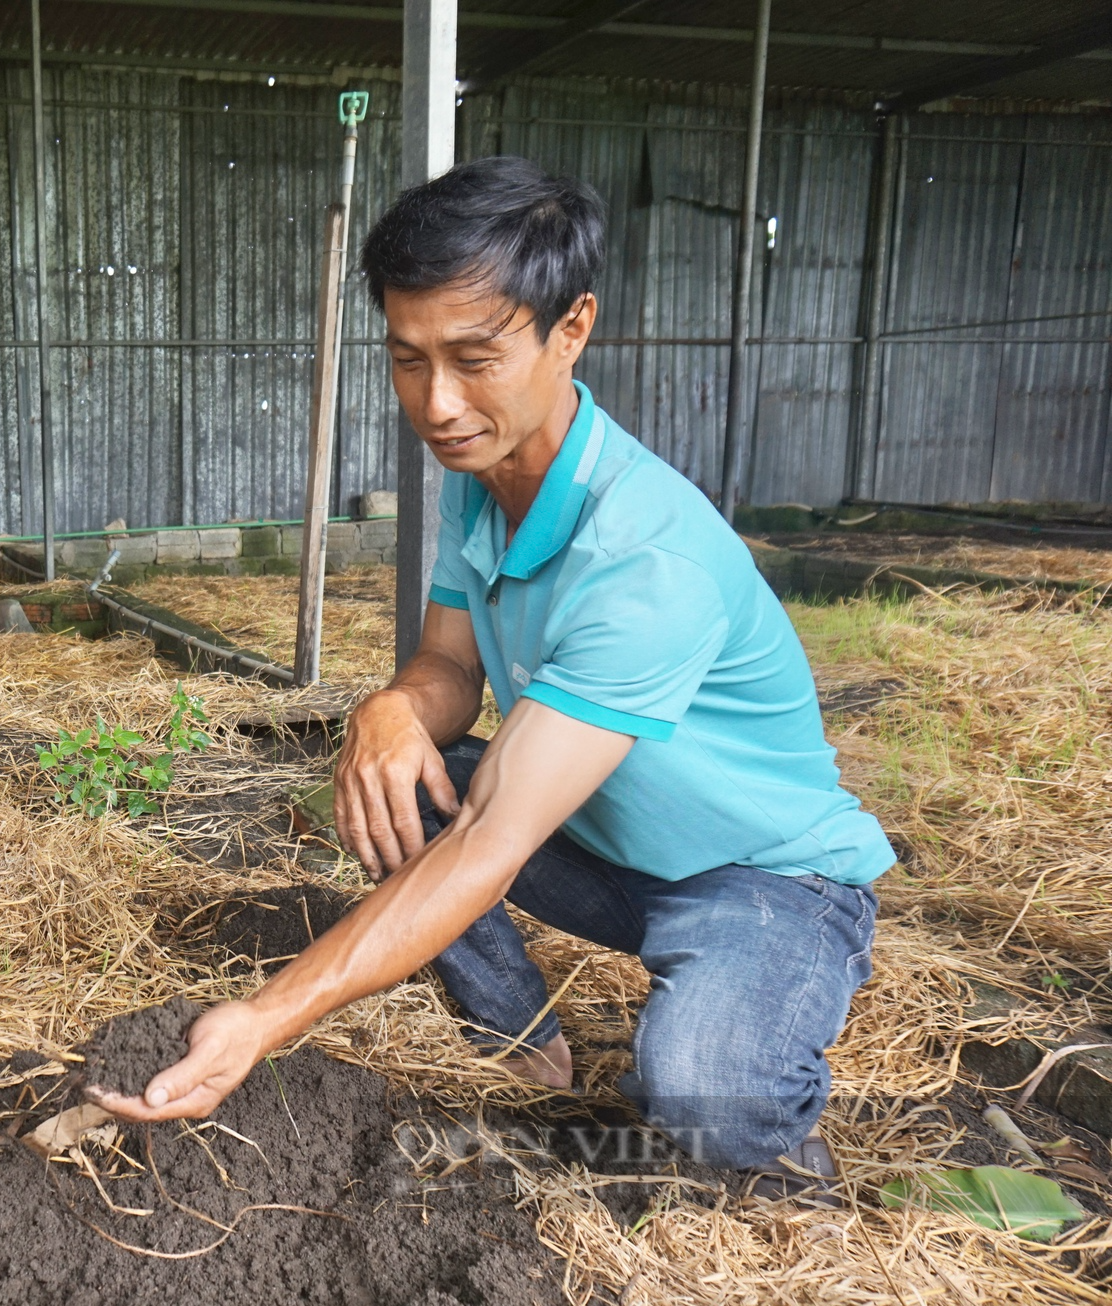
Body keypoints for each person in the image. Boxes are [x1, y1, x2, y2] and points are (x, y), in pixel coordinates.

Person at [88, 156, 894, 1200]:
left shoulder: (645, 555)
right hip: (608, 839)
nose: (437, 403)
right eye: (407, 358)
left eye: (474, 356)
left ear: (571, 328)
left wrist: (264, 1016)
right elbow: (446, 670)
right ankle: (518, 1039)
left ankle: (776, 1143)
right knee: (397, 779)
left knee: (700, 1098)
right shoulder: (488, 484)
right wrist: (386, 708)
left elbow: (487, 837)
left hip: (759, 876)